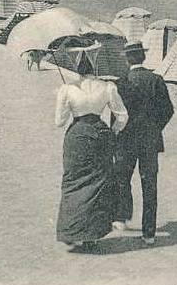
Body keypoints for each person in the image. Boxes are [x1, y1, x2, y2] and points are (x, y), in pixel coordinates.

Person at [55, 42, 129, 249]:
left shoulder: (68, 89)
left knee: (72, 181)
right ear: (94, 67)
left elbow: (59, 121)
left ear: (77, 69)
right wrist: (112, 132)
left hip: (77, 136)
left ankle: (71, 229)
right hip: (100, 134)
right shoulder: (107, 87)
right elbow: (122, 116)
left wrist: (67, 102)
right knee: (97, 183)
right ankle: (91, 235)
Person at [113, 42, 175, 245]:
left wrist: (117, 133)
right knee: (149, 184)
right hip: (150, 140)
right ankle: (149, 232)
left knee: (122, 178)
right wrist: (156, 128)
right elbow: (168, 110)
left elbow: (116, 114)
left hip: (126, 139)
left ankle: (122, 218)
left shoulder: (121, 82)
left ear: (127, 59)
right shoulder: (156, 80)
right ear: (143, 58)